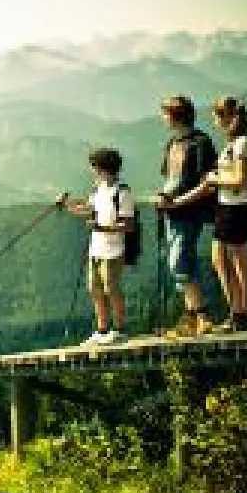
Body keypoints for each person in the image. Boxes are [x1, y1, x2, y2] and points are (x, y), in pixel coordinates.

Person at [166, 97, 247, 332]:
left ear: (228, 117)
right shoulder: (233, 144)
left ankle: (243, 315)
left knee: (239, 265)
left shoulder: (242, 144)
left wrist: (215, 179)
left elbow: (242, 181)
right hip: (226, 207)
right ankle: (237, 313)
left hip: (238, 208)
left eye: (217, 116)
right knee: (221, 262)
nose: (215, 121)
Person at [55, 148, 136, 346]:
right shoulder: (98, 190)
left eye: (94, 167)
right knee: (94, 289)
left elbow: (128, 225)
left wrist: (101, 227)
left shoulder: (122, 192)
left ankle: (119, 330)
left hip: (113, 251)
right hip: (96, 249)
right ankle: (102, 330)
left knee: (112, 289)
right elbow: (88, 209)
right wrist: (66, 203)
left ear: (102, 168)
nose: (92, 171)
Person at [154, 95, 218, 338]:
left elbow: (208, 184)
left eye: (165, 114)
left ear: (175, 115)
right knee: (182, 260)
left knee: (178, 260)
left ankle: (201, 314)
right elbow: (170, 178)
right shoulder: (172, 143)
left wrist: (178, 201)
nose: (162, 119)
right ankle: (194, 318)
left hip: (189, 210)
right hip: (172, 210)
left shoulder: (200, 143)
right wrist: (163, 196)